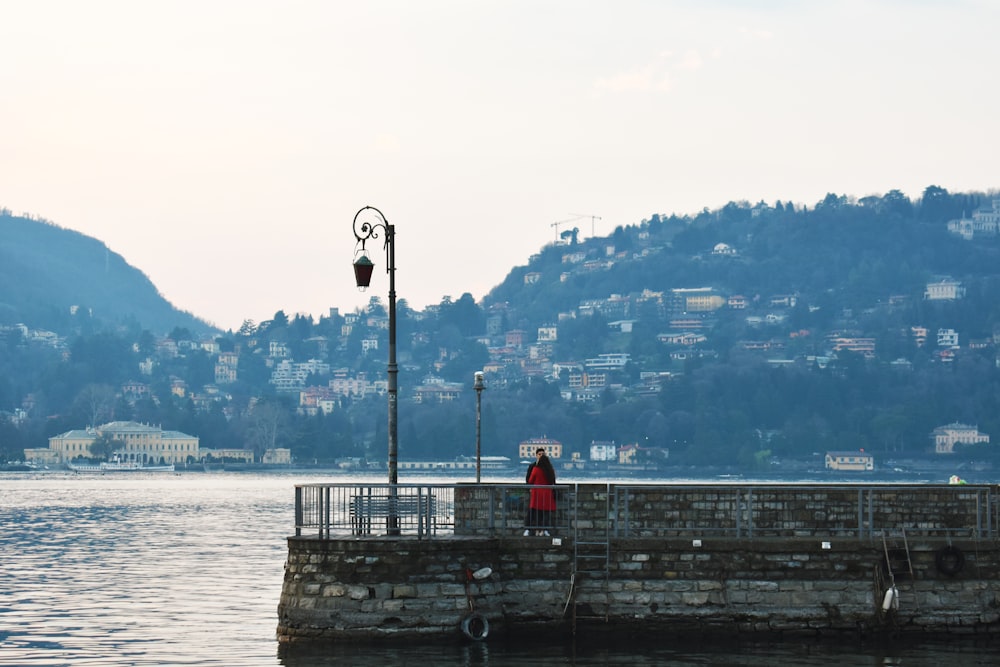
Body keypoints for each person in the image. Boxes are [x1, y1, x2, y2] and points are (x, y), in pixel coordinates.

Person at [523, 447, 556, 536]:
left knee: (534, 511)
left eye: (542, 454)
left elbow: (529, 480)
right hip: (546, 493)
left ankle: (531, 529)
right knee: (544, 512)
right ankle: (543, 530)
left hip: (537, 493)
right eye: (539, 454)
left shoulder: (535, 469)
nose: (541, 456)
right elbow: (553, 480)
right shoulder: (550, 468)